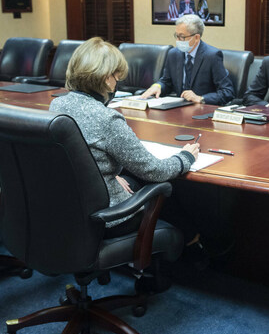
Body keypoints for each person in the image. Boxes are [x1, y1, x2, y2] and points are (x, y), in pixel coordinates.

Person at [49, 37, 200, 230]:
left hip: (68, 206)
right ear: (105, 77)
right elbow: (154, 171)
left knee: (131, 181)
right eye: (116, 76)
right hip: (104, 218)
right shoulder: (107, 118)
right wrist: (185, 157)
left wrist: (103, 174)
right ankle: (191, 243)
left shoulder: (58, 104)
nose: (117, 81)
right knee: (165, 191)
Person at [140, 14, 234, 105]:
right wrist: (158, 86)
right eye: (176, 36)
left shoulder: (212, 56)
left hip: (202, 110)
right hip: (177, 109)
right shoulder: (173, 54)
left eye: (182, 37)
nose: (178, 40)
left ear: (196, 37)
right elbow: (166, 82)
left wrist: (201, 98)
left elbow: (227, 92)